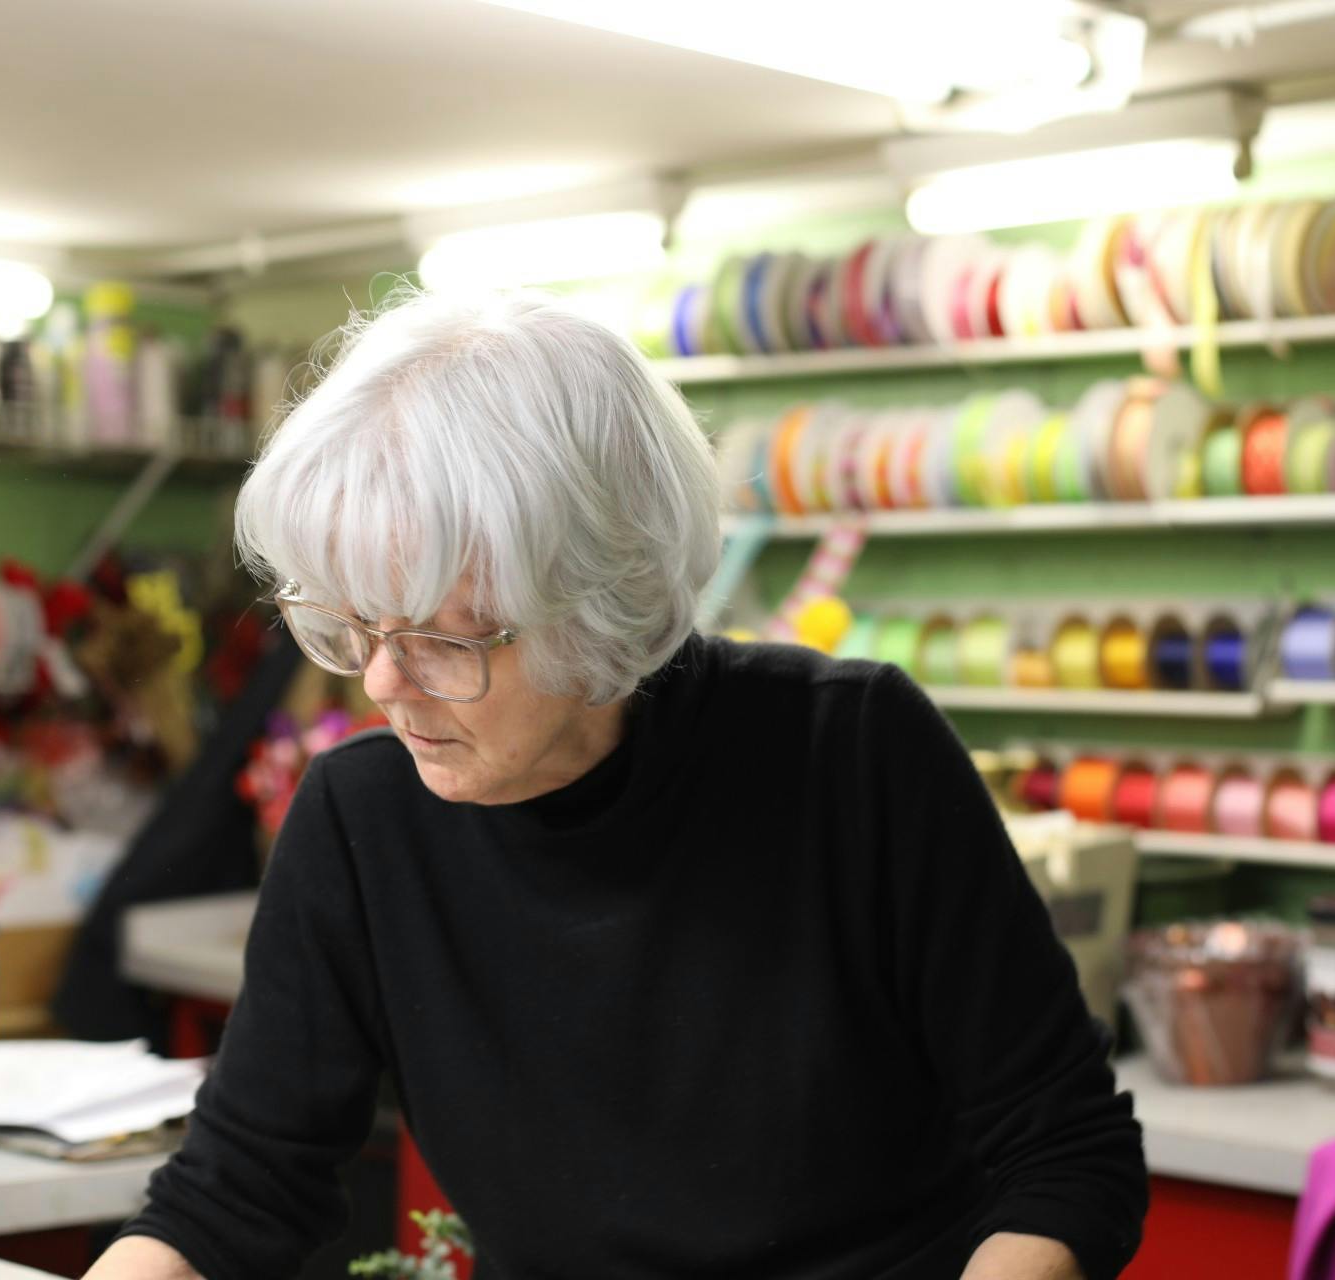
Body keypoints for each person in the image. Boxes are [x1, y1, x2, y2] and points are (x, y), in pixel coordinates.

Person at [85, 290, 1146, 1280]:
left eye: (441, 639)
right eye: (351, 623)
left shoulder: (851, 755)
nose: (381, 682)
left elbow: (1064, 1156)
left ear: (603, 595)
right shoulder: (365, 820)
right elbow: (233, 1192)